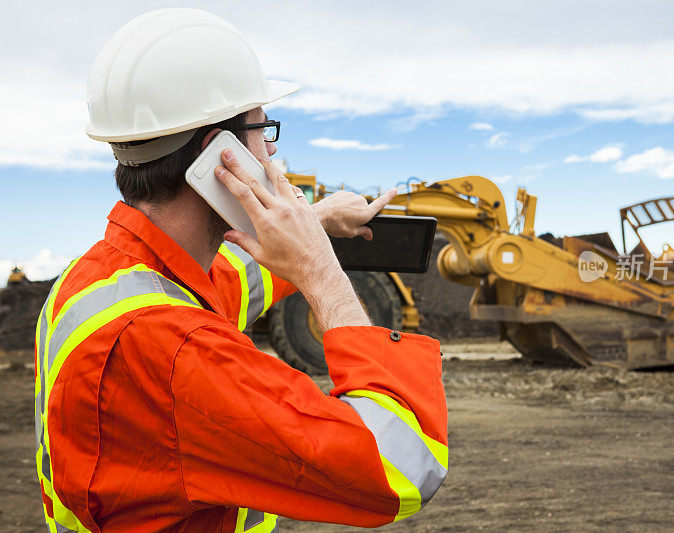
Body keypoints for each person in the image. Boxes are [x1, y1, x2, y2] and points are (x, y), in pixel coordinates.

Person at [34, 9, 447, 532]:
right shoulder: (172, 348)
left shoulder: (99, 281)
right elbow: (402, 468)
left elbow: (232, 278)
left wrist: (317, 223)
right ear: (219, 157)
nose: (271, 148)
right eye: (261, 129)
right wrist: (323, 274)